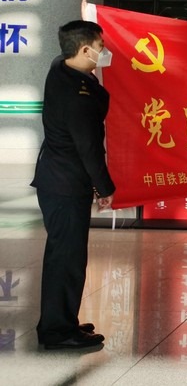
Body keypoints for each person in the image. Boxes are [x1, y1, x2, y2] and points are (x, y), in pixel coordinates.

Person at [32, 20, 115, 350]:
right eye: (100, 47)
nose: (104, 52)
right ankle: (56, 332)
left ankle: (63, 320)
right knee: (66, 260)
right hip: (65, 184)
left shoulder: (61, 67)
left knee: (65, 257)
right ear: (84, 50)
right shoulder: (77, 97)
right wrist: (105, 188)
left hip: (56, 179)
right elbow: (89, 148)